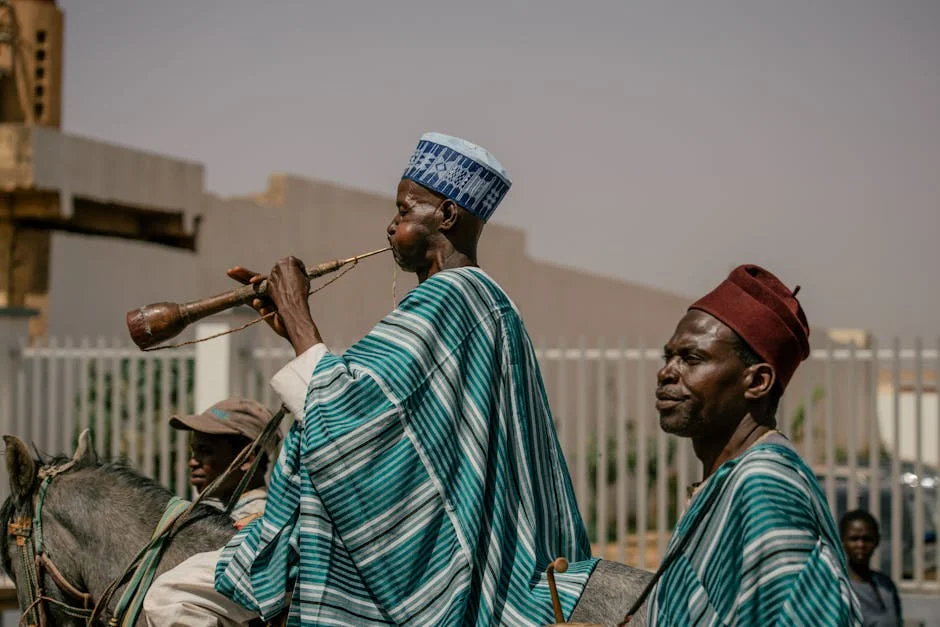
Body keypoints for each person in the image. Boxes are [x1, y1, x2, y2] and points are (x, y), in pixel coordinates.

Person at [143, 133, 594, 627]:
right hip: (436, 529)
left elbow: (352, 420)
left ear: (446, 215)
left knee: (174, 595)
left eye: (404, 211)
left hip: (420, 546)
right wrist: (293, 331)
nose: (390, 225)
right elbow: (380, 409)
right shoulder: (485, 301)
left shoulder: (451, 299)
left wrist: (298, 318)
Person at [646, 264, 862, 625]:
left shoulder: (763, 484)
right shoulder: (731, 481)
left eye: (692, 358)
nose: (667, 371)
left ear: (758, 382)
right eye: (669, 356)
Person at [169, 396, 280, 522]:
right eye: (194, 451)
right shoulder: (221, 512)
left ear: (246, 460)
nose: (192, 462)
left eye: (205, 450)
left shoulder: (255, 524)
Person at [841, 510, 903, 626]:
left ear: (877, 540)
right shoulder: (839, 587)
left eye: (867, 539)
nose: (861, 545)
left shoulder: (886, 585)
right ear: (842, 541)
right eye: (854, 539)